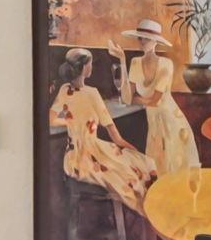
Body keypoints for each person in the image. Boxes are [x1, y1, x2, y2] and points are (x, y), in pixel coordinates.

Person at [50, 46, 155, 211]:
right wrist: (134, 151)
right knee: (136, 167)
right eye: (90, 64)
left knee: (129, 168)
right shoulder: (92, 93)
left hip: (72, 158)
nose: (91, 67)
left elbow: (52, 119)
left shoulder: (65, 90)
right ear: (85, 68)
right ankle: (151, 210)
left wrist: (70, 121)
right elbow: (116, 137)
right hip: (91, 156)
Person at [110, 17, 201, 175]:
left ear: (156, 41)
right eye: (141, 37)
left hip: (172, 122)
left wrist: (136, 100)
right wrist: (122, 61)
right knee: (157, 170)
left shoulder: (166, 64)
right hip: (153, 124)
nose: (142, 41)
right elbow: (126, 98)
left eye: (147, 38)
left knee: (174, 170)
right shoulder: (136, 62)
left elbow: (155, 101)